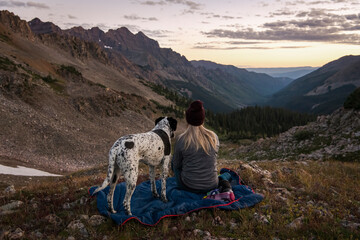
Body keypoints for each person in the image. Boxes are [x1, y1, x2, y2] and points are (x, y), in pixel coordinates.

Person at [171, 100, 232, 194]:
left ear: (188, 119)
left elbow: (176, 165)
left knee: (174, 163)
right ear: (202, 119)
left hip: (189, 186)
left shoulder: (182, 139)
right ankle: (223, 180)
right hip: (212, 185)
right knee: (220, 172)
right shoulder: (213, 137)